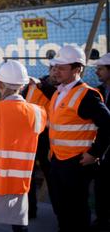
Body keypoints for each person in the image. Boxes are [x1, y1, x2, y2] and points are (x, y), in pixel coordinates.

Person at [47, 45, 110, 231]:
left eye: (62, 68)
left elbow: (108, 125)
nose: (56, 71)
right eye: (55, 67)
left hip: (77, 163)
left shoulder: (87, 95)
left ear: (77, 69)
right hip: (58, 160)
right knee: (61, 209)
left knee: (77, 212)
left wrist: (95, 153)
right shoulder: (59, 92)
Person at [0, 60, 46, 232]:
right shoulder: (38, 113)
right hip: (19, 182)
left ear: (0, 84)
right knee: (19, 226)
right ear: (24, 85)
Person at [21, 65, 58, 219]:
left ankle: (60, 215)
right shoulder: (33, 86)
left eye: (59, 69)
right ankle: (30, 211)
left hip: (48, 140)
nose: (56, 72)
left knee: (53, 179)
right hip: (30, 137)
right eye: (54, 69)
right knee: (28, 176)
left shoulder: (60, 91)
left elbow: (53, 95)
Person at [93, 53, 110, 231]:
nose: (97, 71)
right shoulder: (98, 91)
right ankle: (101, 220)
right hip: (102, 151)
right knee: (101, 188)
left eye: (101, 69)